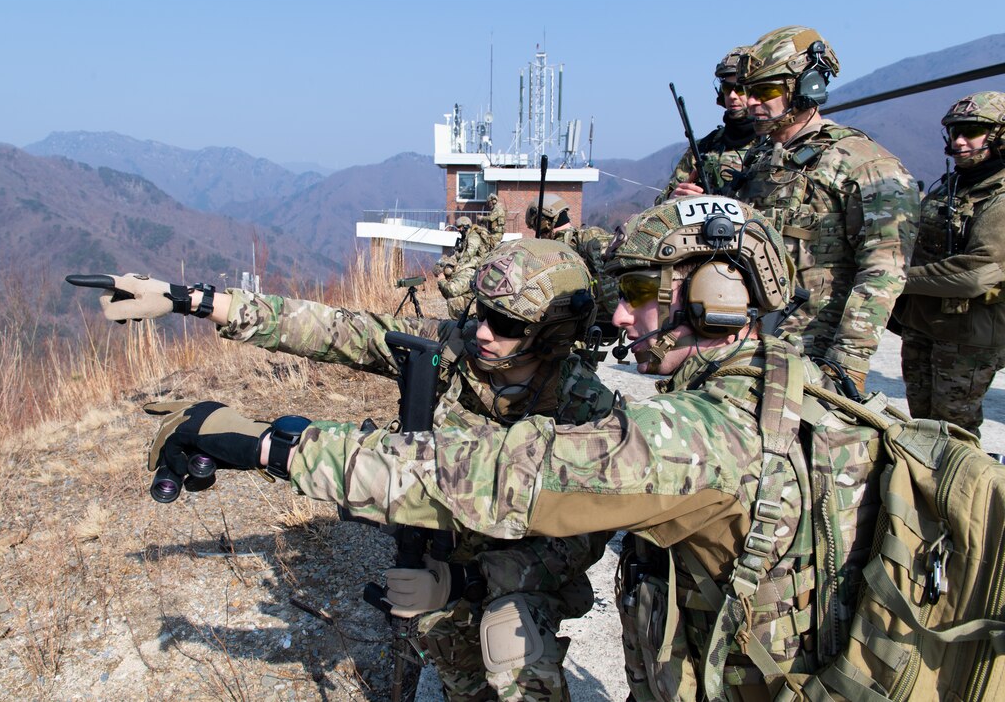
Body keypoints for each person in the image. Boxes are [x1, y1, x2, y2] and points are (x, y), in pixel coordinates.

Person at [143, 196, 894, 701]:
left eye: (641, 290)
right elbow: (346, 332)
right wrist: (207, 303)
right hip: (675, 641)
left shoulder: (688, 434)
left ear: (718, 293)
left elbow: (505, 483)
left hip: (513, 570)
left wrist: (272, 446)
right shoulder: (758, 389)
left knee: (506, 637)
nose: (625, 315)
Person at [76, 239, 615, 701]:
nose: (482, 331)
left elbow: (580, 543)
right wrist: (191, 300)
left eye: (505, 323)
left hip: (512, 571)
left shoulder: (585, 410)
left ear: (550, 334)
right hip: (435, 551)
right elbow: (333, 329)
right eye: (479, 311)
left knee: (515, 648)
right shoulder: (451, 348)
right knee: (455, 669)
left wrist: (466, 581)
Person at [672, 26, 920, 391]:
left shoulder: (863, 165)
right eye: (746, 91)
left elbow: (883, 272)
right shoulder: (758, 161)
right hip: (746, 341)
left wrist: (847, 363)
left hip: (813, 354)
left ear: (807, 89)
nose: (751, 102)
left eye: (766, 91)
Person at [898, 91, 1005, 436]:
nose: (959, 141)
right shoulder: (952, 184)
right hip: (924, 323)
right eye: (954, 131)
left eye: (970, 131)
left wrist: (898, 278)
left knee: (953, 430)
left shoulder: (999, 197)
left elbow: (976, 273)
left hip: (967, 334)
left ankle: (962, 490)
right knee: (920, 425)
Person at [655, 46, 756, 203]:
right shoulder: (705, 147)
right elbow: (661, 201)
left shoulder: (774, 147)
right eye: (727, 88)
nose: (733, 96)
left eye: (740, 89)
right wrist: (673, 197)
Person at [525, 194, 619, 346]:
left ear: (543, 222)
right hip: (607, 325)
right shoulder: (593, 236)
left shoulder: (556, 249)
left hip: (573, 329)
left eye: (535, 226)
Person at [436, 216, 493, 320]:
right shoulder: (466, 237)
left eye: (460, 227)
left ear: (466, 226)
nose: (459, 230)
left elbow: (469, 253)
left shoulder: (473, 236)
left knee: (453, 290)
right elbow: (461, 254)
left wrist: (458, 266)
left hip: (475, 264)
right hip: (471, 263)